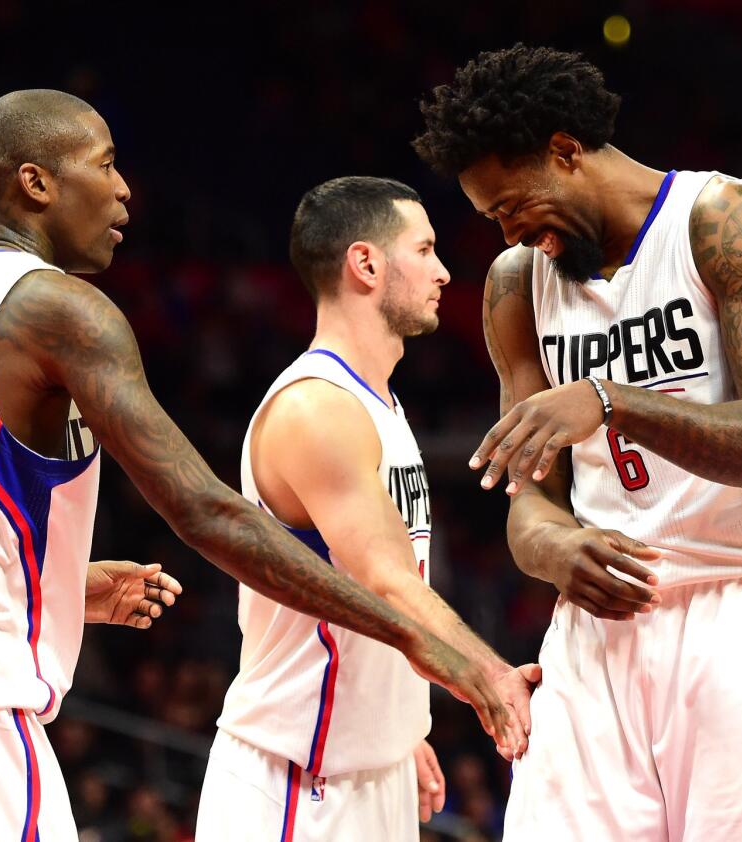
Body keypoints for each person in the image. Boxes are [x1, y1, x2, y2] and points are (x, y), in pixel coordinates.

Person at [0, 89, 523, 841]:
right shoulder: (56, 309)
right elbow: (204, 510)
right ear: (36, 184)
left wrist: (55, 584)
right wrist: (412, 634)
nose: (125, 189)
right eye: (104, 164)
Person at [413, 45, 742, 841]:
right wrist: (556, 551)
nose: (511, 231)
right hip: (598, 634)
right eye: (493, 219)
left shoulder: (728, 222)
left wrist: (610, 400)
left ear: (566, 150)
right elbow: (533, 513)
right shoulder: (515, 285)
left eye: (512, 205)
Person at [193, 177, 541, 841]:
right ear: (367, 264)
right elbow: (387, 581)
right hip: (299, 783)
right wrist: (490, 678)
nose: (443, 271)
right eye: (425, 249)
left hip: (362, 769)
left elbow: (362, 600)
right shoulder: (316, 408)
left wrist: (395, 733)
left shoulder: (376, 402)